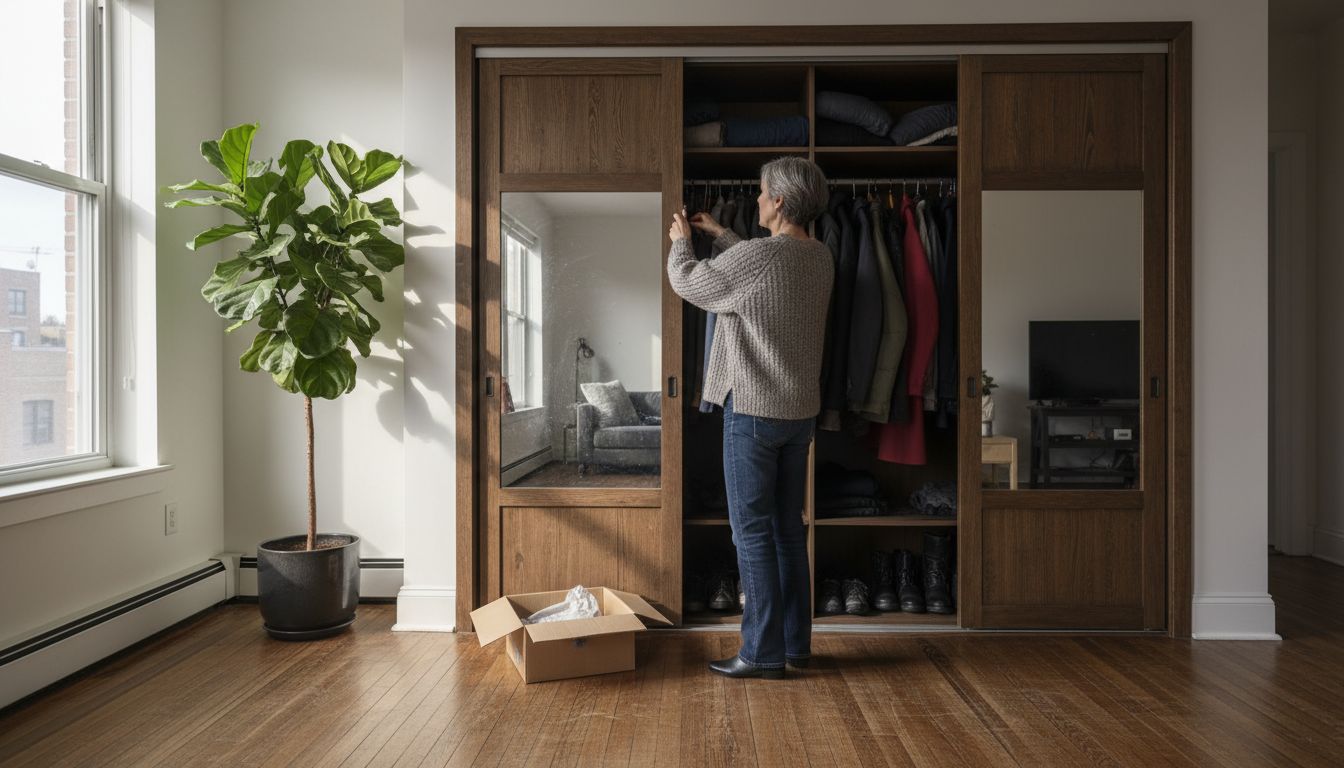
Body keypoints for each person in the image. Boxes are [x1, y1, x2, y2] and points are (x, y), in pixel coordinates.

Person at [667, 157, 834, 678]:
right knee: (788, 530)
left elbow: (691, 285)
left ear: (779, 201)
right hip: (798, 413)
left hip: (754, 412)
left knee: (752, 534)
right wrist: (721, 233)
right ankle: (793, 646)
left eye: (762, 193)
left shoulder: (762, 256)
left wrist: (680, 242)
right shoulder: (820, 256)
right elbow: (762, 272)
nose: (757, 198)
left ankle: (761, 654)